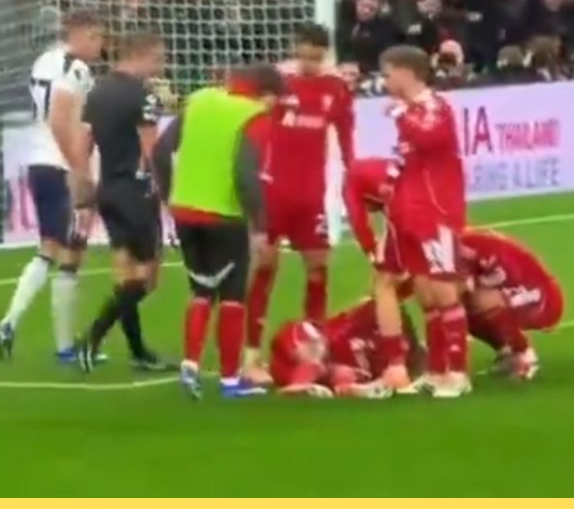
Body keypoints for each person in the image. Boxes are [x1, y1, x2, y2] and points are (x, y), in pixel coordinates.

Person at [152, 64, 283, 399]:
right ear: (265, 93)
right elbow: (245, 174)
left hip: (185, 210)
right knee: (233, 296)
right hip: (224, 215)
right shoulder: (254, 115)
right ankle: (228, 380)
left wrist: (169, 195)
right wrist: (259, 226)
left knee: (200, 290)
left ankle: (191, 364)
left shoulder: (199, 99)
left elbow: (160, 150)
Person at [243, 23, 355, 385]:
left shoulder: (337, 89)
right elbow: (251, 132)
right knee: (263, 269)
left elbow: (347, 139)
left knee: (318, 270)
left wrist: (354, 179)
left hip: (312, 197)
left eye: (316, 57)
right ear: (295, 50)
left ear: (325, 55)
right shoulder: (277, 84)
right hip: (273, 193)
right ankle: (251, 355)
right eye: (304, 55)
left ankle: (314, 351)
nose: (308, 64)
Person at [0, 9, 103, 363]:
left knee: (51, 247)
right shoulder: (75, 68)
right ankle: (62, 345)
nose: (100, 46)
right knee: (69, 254)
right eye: (97, 38)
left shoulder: (44, 60)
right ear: (83, 34)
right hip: (62, 165)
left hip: (38, 160)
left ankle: (13, 323)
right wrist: (80, 170)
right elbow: (62, 120)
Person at [70, 30, 173, 372]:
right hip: (136, 192)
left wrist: (84, 181)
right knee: (147, 278)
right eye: (157, 57)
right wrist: (167, 194)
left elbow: (84, 143)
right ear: (141, 54)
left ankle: (138, 351)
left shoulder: (98, 92)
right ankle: (93, 337)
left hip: (109, 192)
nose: (159, 65)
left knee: (125, 275)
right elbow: (152, 152)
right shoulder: (142, 97)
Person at [375, 45, 469, 398]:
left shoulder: (434, 107)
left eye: (387, 74)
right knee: (425, 292)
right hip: (410, 211)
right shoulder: (412, 111)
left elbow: (430, 137)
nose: (384, 81)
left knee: (444, 288)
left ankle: (458, 373)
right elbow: (406, 151)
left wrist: (401, 112)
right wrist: (389, 182)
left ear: (406, 73)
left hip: (436, 210)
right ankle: (437, 369)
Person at [459, 228, 565, 380]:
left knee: (478, 300)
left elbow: (459, 288)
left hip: (540, 296)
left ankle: (524, 355)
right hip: (520, 290)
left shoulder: (465, 247)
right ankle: (508, 352)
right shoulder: (461, 242)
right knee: (465, 308)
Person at [268, 300, 420, 400]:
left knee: (337, 371)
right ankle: (299, 385)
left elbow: (376, 381)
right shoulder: (364, 321)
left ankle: (303, 386)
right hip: (299, 356)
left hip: (323, 371)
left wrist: (354, 386)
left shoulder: (394, 361)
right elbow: (370, 303)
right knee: (312, 346)